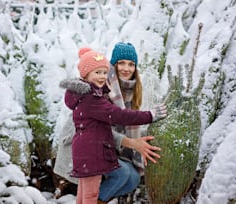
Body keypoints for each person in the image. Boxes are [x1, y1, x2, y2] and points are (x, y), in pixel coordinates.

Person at [58, 47, 167, 204]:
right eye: (121, 63)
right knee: (116, 177)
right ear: (112, 67)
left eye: (131, 64)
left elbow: (126, 122)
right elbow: (114, 117)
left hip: (100, 146)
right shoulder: (96, 90)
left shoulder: (130, 89)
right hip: (86, 148)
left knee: (132, 178)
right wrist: (147, 119)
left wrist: (145, 137)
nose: (126, 68)